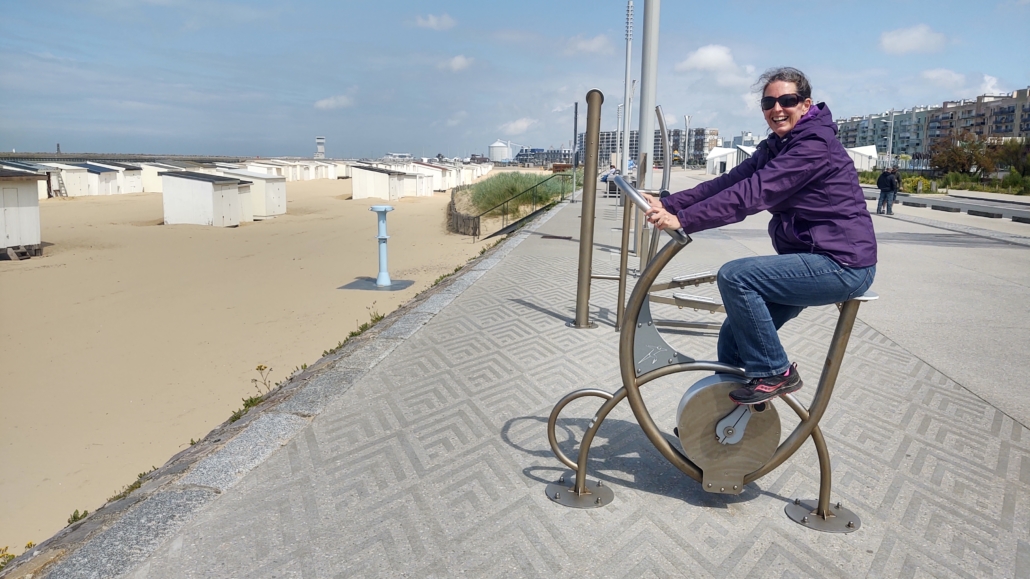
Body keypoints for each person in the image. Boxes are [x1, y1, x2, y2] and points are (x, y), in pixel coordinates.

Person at [643, 67, 877, 405]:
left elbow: (754, 194)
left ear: (806, 104)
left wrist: (683, 220)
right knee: (734, 336)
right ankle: (720, 424)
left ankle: (776, 371)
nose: (777, 108)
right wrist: (669, 202)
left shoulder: (813, 145)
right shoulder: (778, 145)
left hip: (843, 265)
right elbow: (728, 183)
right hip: (813, 259)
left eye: (787, 100)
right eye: (769, 102)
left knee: (737, 277)